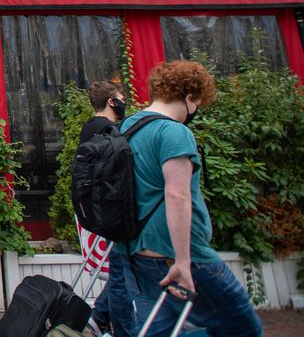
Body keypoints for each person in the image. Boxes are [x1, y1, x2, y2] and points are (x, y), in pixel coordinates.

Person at [108, 60, 263, 337]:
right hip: (179, 255)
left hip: (135, 252)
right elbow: (177, 195)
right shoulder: (174, 132)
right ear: (190, 98)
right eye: (198, 102)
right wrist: (182, 261)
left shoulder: (128, 126)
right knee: (243, 327)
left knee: (159, 331)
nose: (197, 109)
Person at [79, 81, 134, 336]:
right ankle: (121, 329)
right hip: (113, 207)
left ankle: (100, 313)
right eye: (121, 97)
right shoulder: (110, 130)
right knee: (122, 275)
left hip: (99, 208)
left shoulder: (89, 127)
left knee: (120, 270)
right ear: (111, 102)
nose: (124, 101)